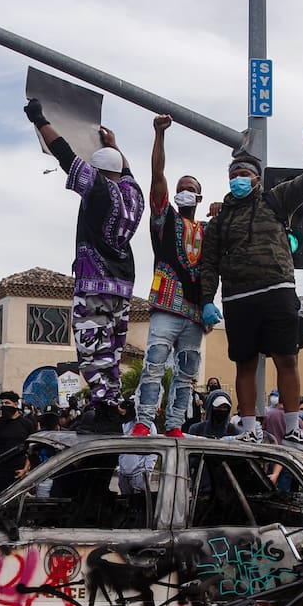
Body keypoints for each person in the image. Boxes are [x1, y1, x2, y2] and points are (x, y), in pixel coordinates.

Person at [197, 125, 303, 446]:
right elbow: (209, 263)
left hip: (277, 291)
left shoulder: (275, 200)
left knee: (287, 359)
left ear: (256, 177)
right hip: (239, 299)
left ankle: (293, 428)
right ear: (229, 179)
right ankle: (250, 429)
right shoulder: (220, 220)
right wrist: (207, 300)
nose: (239, 177)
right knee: (245, 365)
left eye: (245, 173)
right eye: (234, 173)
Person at [24, 98, 144, 434]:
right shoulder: (134, 194)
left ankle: (104, 405)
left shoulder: (98, 187)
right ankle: (110, 401)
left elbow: (63, 154)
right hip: (123, 287)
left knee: (91, 348)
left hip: (94, 282)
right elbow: (128, 170)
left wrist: (39, 119)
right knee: (112, 350)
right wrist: (115, 146)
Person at [133, 114, 205, 439]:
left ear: (199, 198)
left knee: (187, 372)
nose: (184, 193)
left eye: (190, 190)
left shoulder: (208, 231)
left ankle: (175, 424)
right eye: (181, 189)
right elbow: (157, 174)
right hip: (166, 306)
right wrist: (159, 136)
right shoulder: (165, 220)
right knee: (153, 365)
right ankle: (143, 422)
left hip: (195, 313)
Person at [0, 391, 34, 496]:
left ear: (16, 404)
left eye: (7, 403)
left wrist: (25, 469)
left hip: (19, 472)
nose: (4, 406)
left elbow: (32, 449)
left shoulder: (27, 424)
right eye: (2, 403)